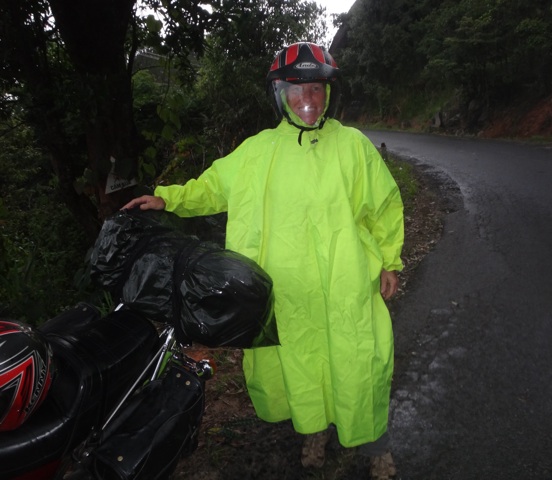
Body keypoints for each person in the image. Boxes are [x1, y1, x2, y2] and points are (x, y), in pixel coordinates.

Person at [122, 41, 404, 479]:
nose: (307, 101)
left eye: (315, 90)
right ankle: (315, 430)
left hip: (346, 286)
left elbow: (384, 205)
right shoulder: (258, 151)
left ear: (328, 94)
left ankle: (377, 449)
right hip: (288, 293)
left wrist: (390, 261)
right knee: (304, 365)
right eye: (296, 90)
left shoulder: (353, 147)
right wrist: (167, 199)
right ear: (280, 95)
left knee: (360, 365)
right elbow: (212, 186)